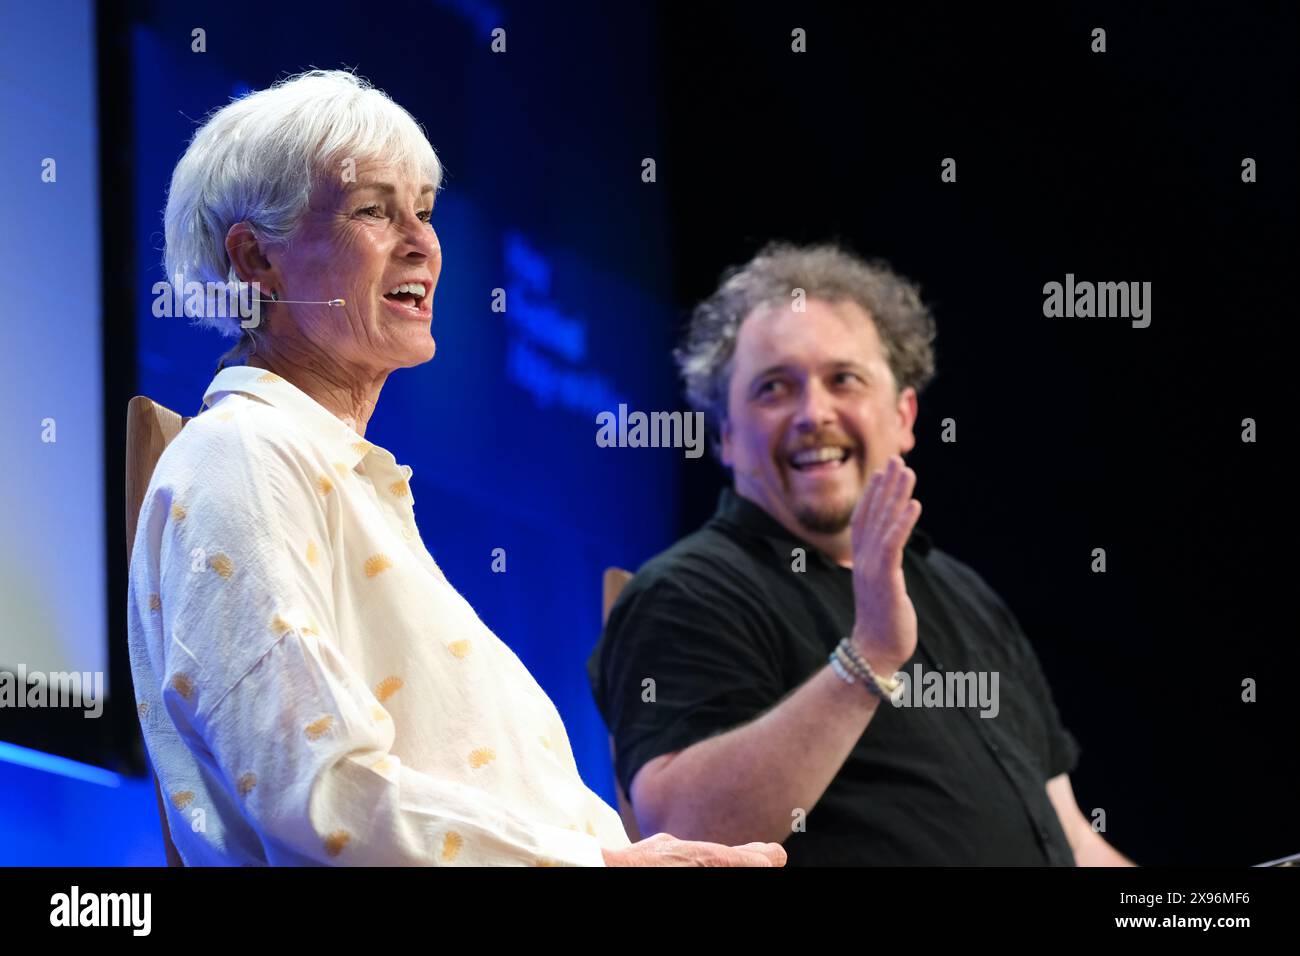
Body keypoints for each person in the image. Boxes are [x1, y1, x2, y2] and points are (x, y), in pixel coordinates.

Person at [128, 68, 785, 868]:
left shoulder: (331, 474)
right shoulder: (242, 454)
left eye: (427, 211)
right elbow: (320, 794)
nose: (422, 241)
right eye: (374, 209)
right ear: (255, 261)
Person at [588, 242, 1135, 865]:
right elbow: (686, 833)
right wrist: (868, 656)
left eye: (842, 379)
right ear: (729, 438)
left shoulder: (962, 591)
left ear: (904, 416)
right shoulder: (686, 591)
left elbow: (1071, 835)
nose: (812, 413)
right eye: (774, 388)